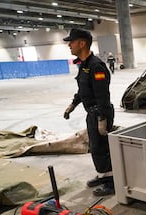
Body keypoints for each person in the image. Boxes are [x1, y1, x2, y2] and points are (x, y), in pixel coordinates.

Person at [62, 28, 115, 196]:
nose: (69, 45)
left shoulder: (96, 66)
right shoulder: (84, 65)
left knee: (102, 148)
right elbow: (83, 90)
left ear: (82, 43)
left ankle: (111, 182)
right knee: (95, 147)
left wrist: (102, 118)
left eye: (72, 41)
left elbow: (102, 96)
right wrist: (73, 104)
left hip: (100, 113)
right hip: (92, 113)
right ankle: (103, 175)